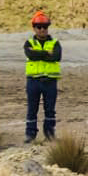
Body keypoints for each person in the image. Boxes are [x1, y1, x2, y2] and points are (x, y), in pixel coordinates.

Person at [23, 9, 61, 142]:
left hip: (50, 82)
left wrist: (39, 53)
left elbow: (56, 56)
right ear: (34, 28)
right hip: (33, 81)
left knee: (50, 110)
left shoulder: (55, 43)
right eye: (39, 27)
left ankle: (50, 134)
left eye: (44, 27)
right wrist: (47, 54)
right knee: (32, 109)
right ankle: (30, 134)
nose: (42, 29)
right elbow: (30, 55)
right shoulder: (29, 43)